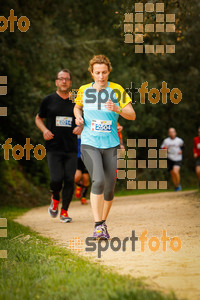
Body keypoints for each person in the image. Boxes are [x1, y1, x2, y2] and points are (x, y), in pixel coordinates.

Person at [74, 54, 136, 239]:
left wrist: (117, 108)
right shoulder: (84, 90)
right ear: (92, 73)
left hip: (111, 145)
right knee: (98, 181)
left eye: (104, 72)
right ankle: (98, 225)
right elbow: (77, 107)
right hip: (89, 143)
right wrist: (78, 116)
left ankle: (102, 223)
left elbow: (132, 115)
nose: (101, 76)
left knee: (109, 188)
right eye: (97, 73)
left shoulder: (117, 90)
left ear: (109, 71)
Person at [35, 69, 83, 222]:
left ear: (70, 82)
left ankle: (64, 212)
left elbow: (84, 119)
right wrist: (44, 130)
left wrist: (81, 127)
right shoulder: (48, 100)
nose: (64, 81)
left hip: (71, 146)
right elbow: (38, 118)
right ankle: (55, 198)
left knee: (70, 179)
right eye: (61, 79)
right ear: (56, 81)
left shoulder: (77, 101)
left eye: (67, 79)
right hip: (53, 147)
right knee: (56, 179)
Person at [74, 135, 90, 205]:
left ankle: (83, 197)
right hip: (77, 156)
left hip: (87, 156)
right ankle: (79, 185)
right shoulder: (74, 127)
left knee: (85, 178)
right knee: (76, 177)